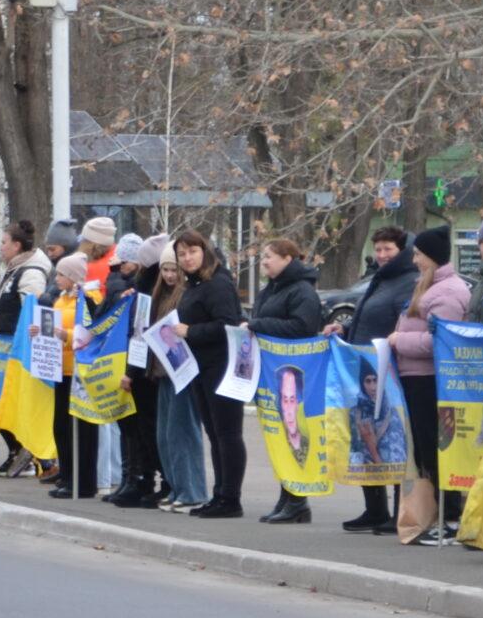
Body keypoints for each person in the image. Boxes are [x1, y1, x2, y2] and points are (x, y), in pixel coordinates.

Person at [389, 227, 470, 541]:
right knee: (425, 451)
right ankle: (438, 515)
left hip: (430, 379)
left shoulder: (447, 292)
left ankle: (450, 518)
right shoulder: (429, 285)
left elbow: (441, 341)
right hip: (416, 377)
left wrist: (399, 341)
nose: (414, 260)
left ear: (433, 257)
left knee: (436, 451)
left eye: (419, 254)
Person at [334, 226, 414, 534]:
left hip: (390, 371)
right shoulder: (380, 278)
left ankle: (399, 511)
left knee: (393, 439)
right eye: (378, 249)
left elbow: (403, 322)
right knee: (364, 435)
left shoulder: (408, 281)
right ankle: (375, 509)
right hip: (366, 366)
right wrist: (344, 329)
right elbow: (367, 316)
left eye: (388, 249)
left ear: (401, 250)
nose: (381, 255)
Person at [251, 236, 326, 524]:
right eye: (263, 257)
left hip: (293, 373)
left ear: (287, 259)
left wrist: (258, 325)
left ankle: (298, 501)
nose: (264, 262)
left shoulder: (302, 291)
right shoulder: (271, 289)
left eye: (269, 256)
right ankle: (287, 496)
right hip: (273, 373)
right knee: (279, 437)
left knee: (294, 434)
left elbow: (301, 327)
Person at [175, 231, 246, 518]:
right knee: (215, 434)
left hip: (222, 366)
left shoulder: (217, 283)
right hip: (201, 367)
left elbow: (228, 324)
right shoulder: (194, 285)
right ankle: (220, 494)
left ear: (205, 251)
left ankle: (231, 498)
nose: (187, 258)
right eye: (182, 254)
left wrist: (191, 331)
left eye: (192, 251)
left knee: (227, 434)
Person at [0, 220, 55, 478]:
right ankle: (16, 451)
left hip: (14, 351)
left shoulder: (31, 273)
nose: (0, 247)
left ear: (16, 245)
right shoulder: (13, 269)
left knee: (9, 404)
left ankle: (29, 454)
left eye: (4, 242)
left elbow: (30, 312)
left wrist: (25, 345)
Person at [144, 236, 209, 512]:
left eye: (174, 270)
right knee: (166, 435)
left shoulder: (186, 294)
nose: (170, 275)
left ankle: (192, 491)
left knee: (183, 434)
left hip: (182, 371)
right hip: (163, 371)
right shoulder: (160, 294)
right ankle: (176, 487)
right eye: (166, 270)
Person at [106, 234, 169, 508]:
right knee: (143, 429)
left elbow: (141, 333)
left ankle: (154, 480)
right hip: (145, 366)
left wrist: (132, 371)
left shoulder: (147, 289)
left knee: (149, 429)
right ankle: (144, 480)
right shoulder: (142, 287)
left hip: (147, 369)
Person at [44, 253, 100, 500]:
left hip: (79, 371)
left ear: (74, 277)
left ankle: (83, 481)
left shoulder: (88, 298)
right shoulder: (62, 299)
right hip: (61, 369)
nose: (57, 279)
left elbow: (89, 330)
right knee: (61, 427)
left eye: (61, 274)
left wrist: (65, 335)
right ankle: (67, 475)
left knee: (80, 429)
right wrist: (40, 331)